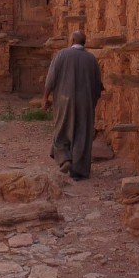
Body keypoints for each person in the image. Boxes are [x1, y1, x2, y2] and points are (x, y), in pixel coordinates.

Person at [42, 31, 104, 181]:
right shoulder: (91, 59)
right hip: (85, 102)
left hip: (64, 100)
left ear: (72, 40)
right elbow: (97, 86)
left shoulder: (62, 55)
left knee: (61, 129)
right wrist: (92, 102)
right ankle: (79, 171)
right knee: (82, 133)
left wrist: (45, 98)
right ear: (84, 42)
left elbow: (50, 79)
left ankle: (64, 159)